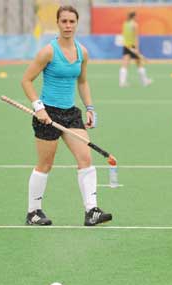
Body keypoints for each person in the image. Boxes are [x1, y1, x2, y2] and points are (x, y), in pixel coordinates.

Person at [21, 5, 113, 226]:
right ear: (58, 23)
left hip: (71, 113)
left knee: (85, 158)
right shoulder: (48, 51)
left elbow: (82, 81)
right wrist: (38, 107)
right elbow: (26, 80)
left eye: (72, 21)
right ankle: (33, 212)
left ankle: (92, 211)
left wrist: (90, 108)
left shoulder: (83, 52)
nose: (68, 25)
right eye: (64, 21)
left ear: (77, 23)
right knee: (45, 164)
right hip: (48, 113)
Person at [119, 11, 152, 87]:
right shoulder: (134, 25)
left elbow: (124, 35)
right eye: (137, 16)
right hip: (133, 46)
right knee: (139, 64)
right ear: (133, 17)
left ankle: (122, 82)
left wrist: (126, 44)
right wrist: (137, 49)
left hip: (126, 46)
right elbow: (136, 37)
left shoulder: (125, 24)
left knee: (125, 64)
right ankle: (144, 82)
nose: (138, 18)